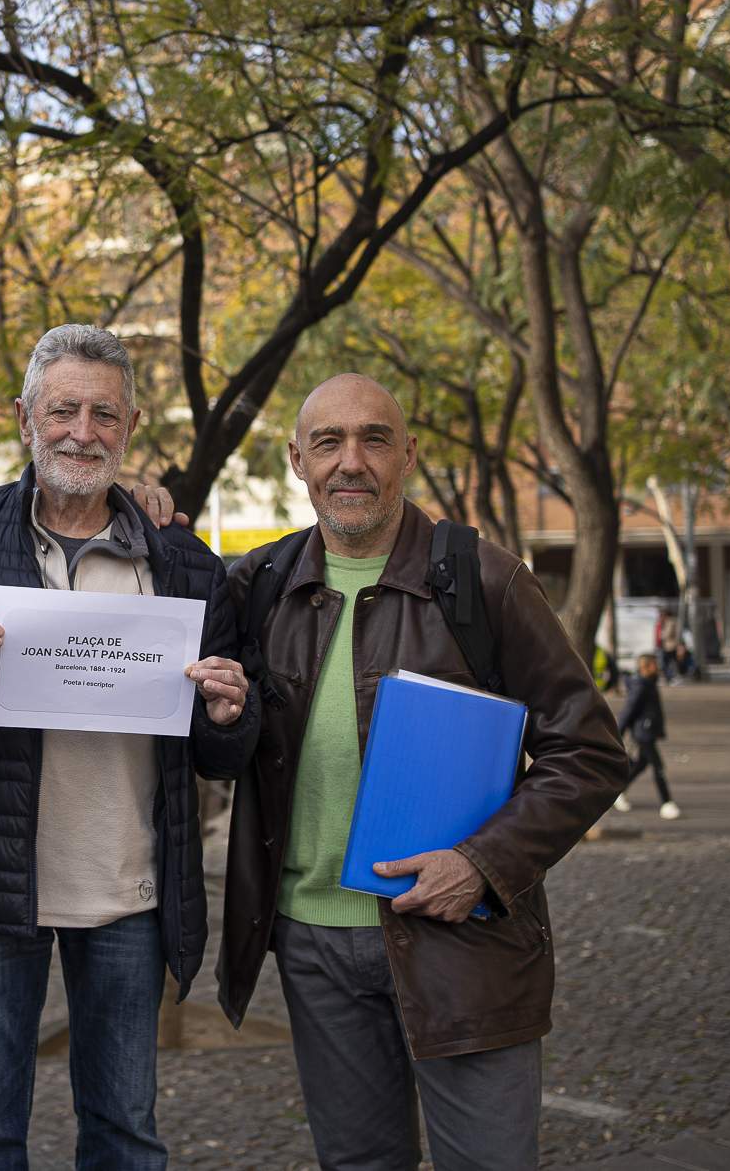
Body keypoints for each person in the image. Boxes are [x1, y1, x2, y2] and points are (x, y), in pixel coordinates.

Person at [218, 373, 627, 1171]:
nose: (351, 461)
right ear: (297, 460)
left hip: (461, 947)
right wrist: (150, 507)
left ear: (408, 453)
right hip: (314, 946)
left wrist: (481, 862)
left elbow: (590, 750)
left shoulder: (485, 579)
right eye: (328, 442)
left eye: (374, 438)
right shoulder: (258, 586)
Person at [0, 323, 256, 1170]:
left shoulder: (187, 565)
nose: (81, 431)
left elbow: (220, 758)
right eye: (62, 409)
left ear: (130, 426)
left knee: (127, 1137)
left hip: (129, 891)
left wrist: (230, 714)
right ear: (25, 418)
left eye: (103, 413)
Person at [611, 652, 678, 818]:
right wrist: (617, 734)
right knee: (658, 767)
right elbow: (628, 711)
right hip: (643, 732)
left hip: (647, 730)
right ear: (646, 667)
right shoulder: (641, 685)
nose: (658, 667)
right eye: (654, 664)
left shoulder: (648, 683)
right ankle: (667, 802)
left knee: (641, 764)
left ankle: (618, 792)